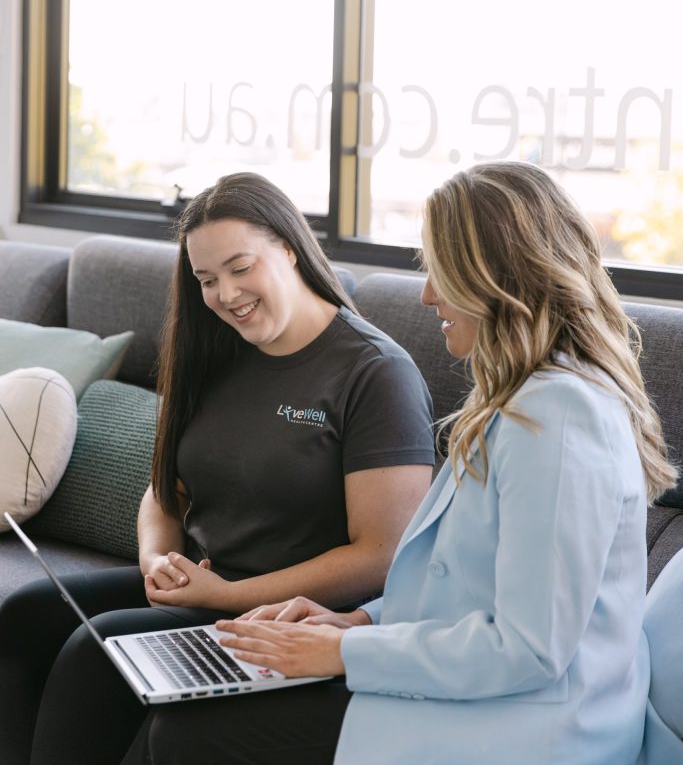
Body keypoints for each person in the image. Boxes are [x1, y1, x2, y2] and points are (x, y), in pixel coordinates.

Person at [123, 160, 677, 765]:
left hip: (535, 726)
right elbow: (464, 590)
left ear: (494, 276)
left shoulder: (561, 417)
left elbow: (529, 649)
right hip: (473, 689)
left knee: (191, 734)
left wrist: (343, 654)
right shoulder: (523, 398)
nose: (427, 294)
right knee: (163, 708)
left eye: (440, 272)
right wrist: (358, 621)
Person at [0, 172, 435, 765]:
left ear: (288, 246)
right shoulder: (215, 349)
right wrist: (156, 558)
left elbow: (383, 553)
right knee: (23, 616)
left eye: (239, 267)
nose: (226, 295)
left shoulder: (376, 372)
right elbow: (165, 487)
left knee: (92, 653)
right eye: (207, 279)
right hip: (207, 586)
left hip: (282, 612)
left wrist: (230, 594)